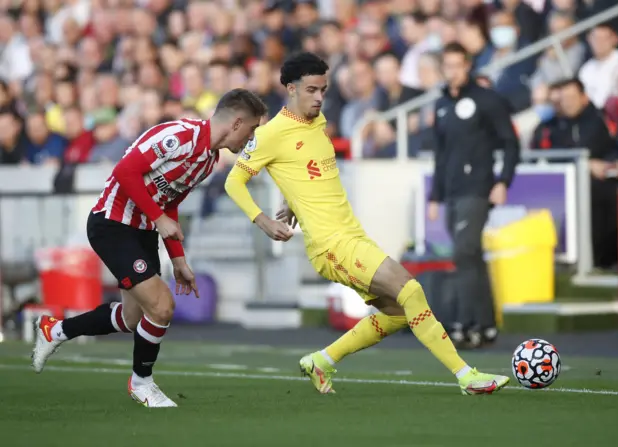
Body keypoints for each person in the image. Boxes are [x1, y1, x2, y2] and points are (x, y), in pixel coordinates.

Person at [224, 52, 509, 396]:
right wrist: (264, 220)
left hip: (352, 234)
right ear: (290, 89)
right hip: (331, 246)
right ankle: (466, 376)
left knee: (397, 313)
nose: (318, 98)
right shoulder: (271, 134)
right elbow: (233, 182)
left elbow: (300, 168)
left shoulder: (316, 121)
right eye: (312, 90)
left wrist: (291, 199)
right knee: (412, 290)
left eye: (323, 90)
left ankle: (323, 360)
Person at [31, 89, 268, 408]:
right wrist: (157, 217)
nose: (251, 138)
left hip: (142, 232)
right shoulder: (179, 136)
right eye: (252, 129)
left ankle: (54, 330)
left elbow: (168, 205)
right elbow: (124, 172)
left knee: (132, 319)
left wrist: (179, 259)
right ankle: (142, 383)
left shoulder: (208, 161)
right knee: (161, 306)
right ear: (237, 122)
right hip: (112, 224)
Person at [428, 43, 520, 349]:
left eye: (458, 65)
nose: (452, 71)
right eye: (448, 65)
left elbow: (510, 142)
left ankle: (463, 324)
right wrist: (434, 195)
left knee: (463, 254)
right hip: (453, 191)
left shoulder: (486, 100)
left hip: (478, 187)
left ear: (467, 66)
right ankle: (486, 325)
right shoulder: (441, 104)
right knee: (472, 258)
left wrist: (503, 180)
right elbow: (440, 155)